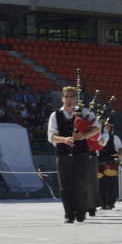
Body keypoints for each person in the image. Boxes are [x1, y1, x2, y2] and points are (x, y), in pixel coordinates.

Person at [47, 86, 100, 224]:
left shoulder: (84, 112)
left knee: (81, 182)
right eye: (67, 96)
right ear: (62, 98)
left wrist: (85, 136)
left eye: (72, 96)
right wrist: (64, 140)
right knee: (65, 186)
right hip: (63, 154)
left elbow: (97, 127)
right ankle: (69, 214)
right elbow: (51, 136)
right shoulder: (55, 115)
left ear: (75, 98)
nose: (69, 99)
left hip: (81, 154)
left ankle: (80, 211)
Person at [96, 121, 122, 210]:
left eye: (108, 127)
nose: (106, 129)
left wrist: (120, 152)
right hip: (99, 163)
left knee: (111, 185)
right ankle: (102, 203)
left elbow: (120, 148)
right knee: (101, 185)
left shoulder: (114, 138)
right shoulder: (97, 137)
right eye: (105, 127)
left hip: (110, 163)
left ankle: (110, 203)